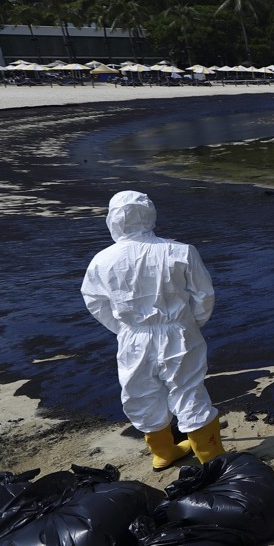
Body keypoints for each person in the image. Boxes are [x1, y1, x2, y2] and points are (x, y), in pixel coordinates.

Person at [81, 191, 226, 469]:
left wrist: (122, 329)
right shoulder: (180, 251)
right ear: (150, 215)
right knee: (188, 390)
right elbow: (204, 295)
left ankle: (162, 453)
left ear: (112, 220)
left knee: (142, 392)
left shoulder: (101, 259)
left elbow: (95, 302)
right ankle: (212, 459)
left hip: (133, 337)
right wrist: (192, 323)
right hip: (179, 332)